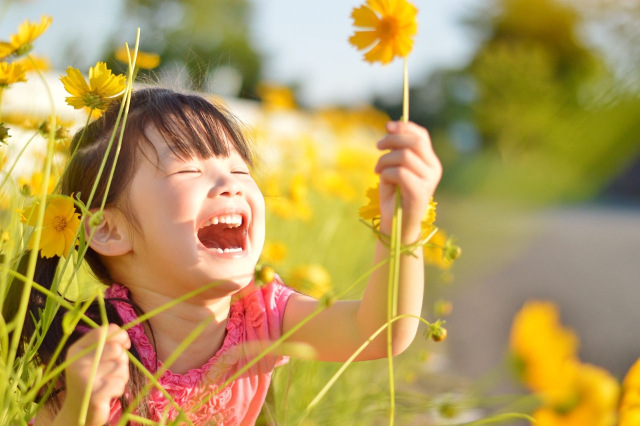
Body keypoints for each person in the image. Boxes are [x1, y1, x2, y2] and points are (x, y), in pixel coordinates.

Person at [17, 87, 441, 425]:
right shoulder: (90, 348)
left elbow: (380, 332)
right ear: (109, 230)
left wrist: (403, 227)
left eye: (240, 169)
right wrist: (82, 412)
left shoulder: (260, 316)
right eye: (187, 169)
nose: (231, 184)